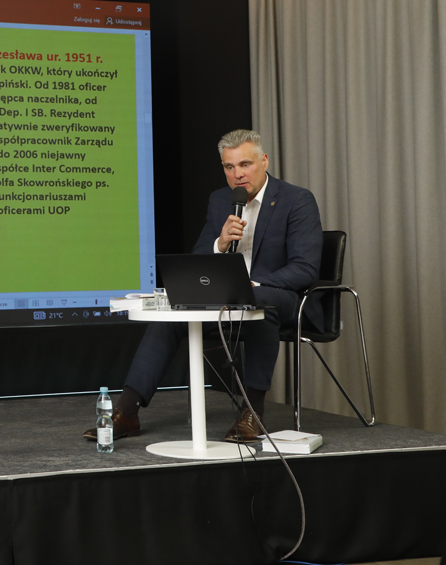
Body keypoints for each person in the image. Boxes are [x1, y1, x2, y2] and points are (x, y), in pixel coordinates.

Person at [86, 129, 323, 443]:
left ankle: (252, 413)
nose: (238, 174)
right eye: (229, 167)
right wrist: (220, 244)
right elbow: (199, 260)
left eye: (245, 165)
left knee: (259, 301)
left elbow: (305, 269)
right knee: (172, 313)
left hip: (283, 299)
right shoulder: (221, 200)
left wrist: (253, 283)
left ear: (264, 161)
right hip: (226, 300)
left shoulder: (297, 200)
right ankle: (126, 412)